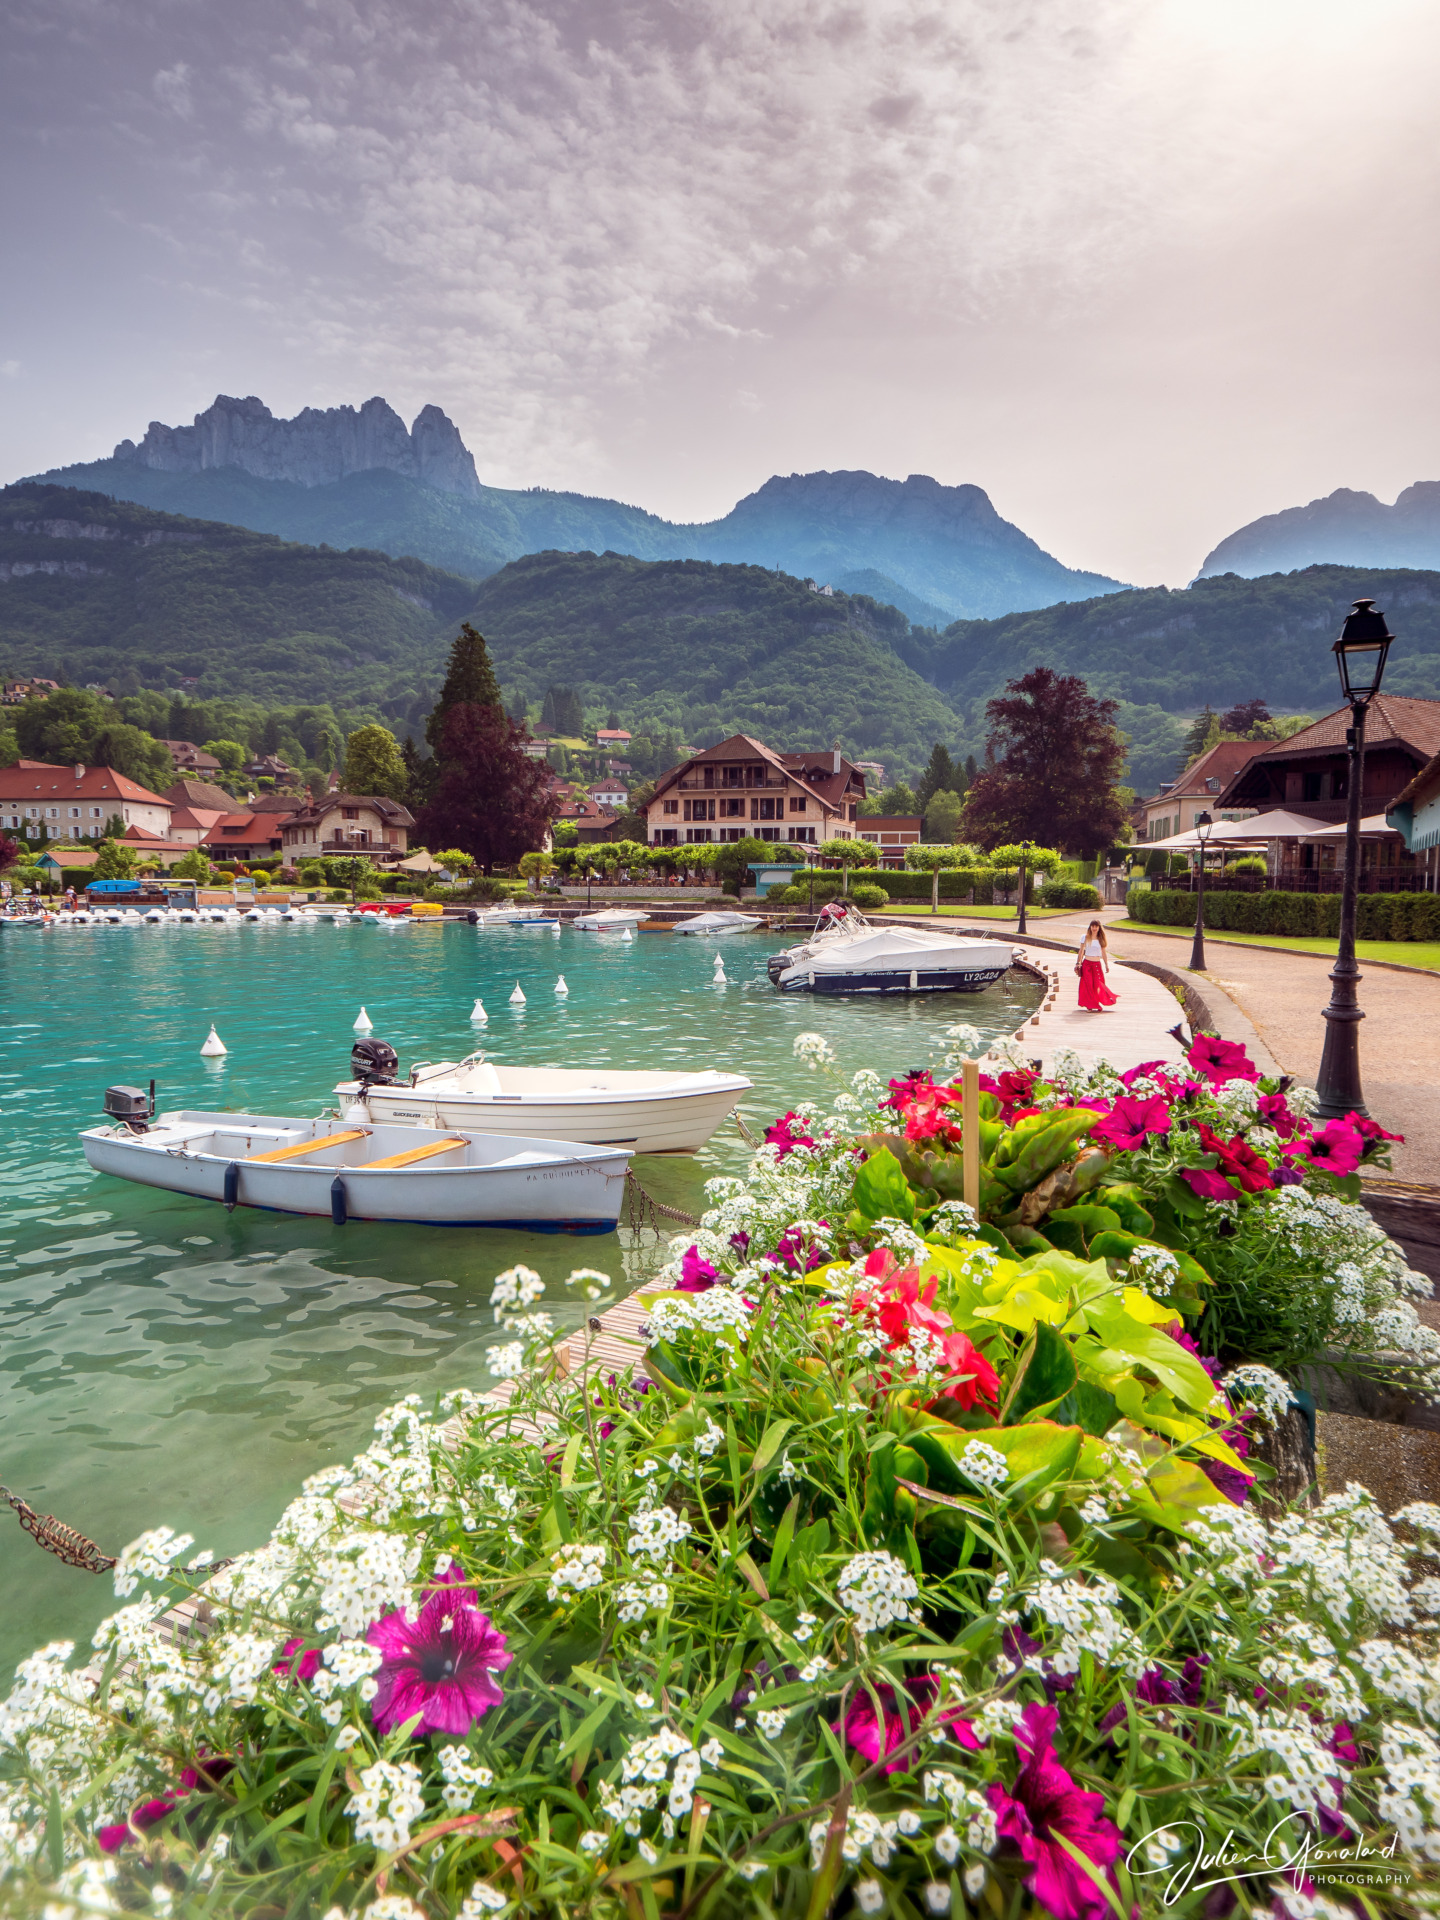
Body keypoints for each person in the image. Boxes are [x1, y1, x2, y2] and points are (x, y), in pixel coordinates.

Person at [1076, 918, 1117, 1012]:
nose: (1094, 928)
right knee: (1088, 984)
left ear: (1099, 928)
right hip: (1087, 964)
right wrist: (1079, 962)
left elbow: (1103, 952)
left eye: (1096, 926)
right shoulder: (1085, 937)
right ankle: (1090, 1006)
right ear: (1090, 927)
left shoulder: (1101, 939)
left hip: (1097, 965)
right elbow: (1081, 951)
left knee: (1098, 984)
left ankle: (1097, 1002)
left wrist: (1106, 964)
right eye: (1092, 926)